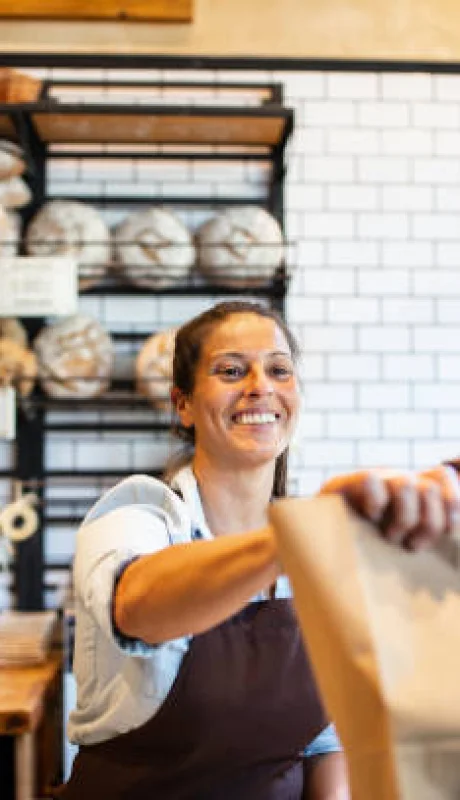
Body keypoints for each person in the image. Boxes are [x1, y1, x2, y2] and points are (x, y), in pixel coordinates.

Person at [58, 301, 460, 800]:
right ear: (182, 404)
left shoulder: (316, 549)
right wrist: (298, 535)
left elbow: (322, 743)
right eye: (230, 370)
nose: (259, 385)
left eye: (278, 369)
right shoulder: (140, 514)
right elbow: (137, 607)